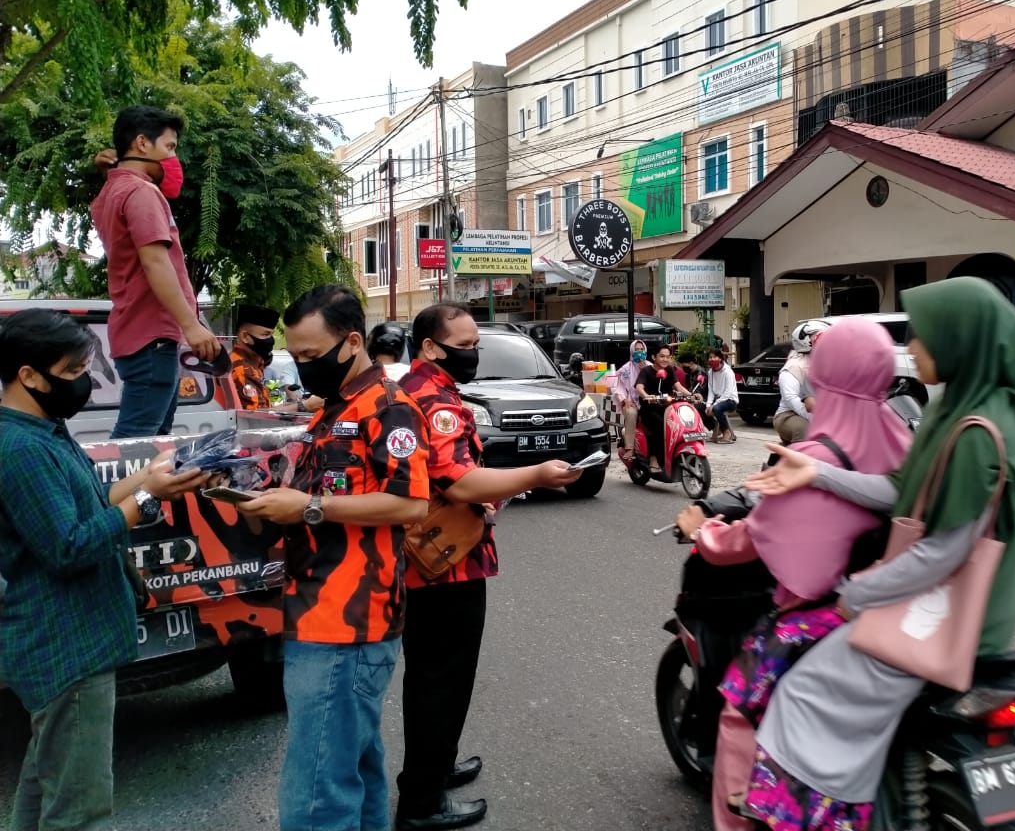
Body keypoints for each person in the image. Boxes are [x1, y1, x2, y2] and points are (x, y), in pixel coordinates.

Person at [737, 277, 1015, 829]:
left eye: (923, 339)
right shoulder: (965, 411)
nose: (911, 352)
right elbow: (904, 490)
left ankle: (811, 815)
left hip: (933, 615)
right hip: (954, 609)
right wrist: (819, 473)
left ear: (958, 342)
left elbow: (944, 552)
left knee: (799, 691)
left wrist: (858, 595)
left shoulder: (973, 430)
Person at [674, 317, 913, 831]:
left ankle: (749, 813)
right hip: (900, 603)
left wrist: (701, 532)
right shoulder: (907, 442)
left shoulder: (812, 456)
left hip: (825, 613)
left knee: (739, 708)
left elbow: (752, 538)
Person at [0, 309, 208, 831]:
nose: (85, 384)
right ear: (28, 375)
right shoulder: (21, 448)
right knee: (79, 810)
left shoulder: (43, 430)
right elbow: (69, 546)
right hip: (65, 645)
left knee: (44, 782)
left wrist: (146, 478)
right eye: (73, 372)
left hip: (74, 640)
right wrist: (146, 495)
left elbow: (89, 509)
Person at [237, 285, 433, 831]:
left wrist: (310, 507)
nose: (302, 369)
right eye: (293, 356)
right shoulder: (337, 409)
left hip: (348, 621)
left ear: (350, 342)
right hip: (318, 608)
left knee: (318, 794)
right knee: (355, 770)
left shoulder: (389, 409)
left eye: (308, 356)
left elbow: (411, 503)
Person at [395, 302, 581, 831]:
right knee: (441, 678)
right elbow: (459, 481)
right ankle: (422, 802)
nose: (474, 353)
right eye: (466, 344)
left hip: (434, 555)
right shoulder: (435, 399)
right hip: (444, 567)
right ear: (431, 346)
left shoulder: (419, 387)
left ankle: (433, 767)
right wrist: (536, 475)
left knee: (434, 676)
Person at [89, 106, 221, 439]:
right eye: (170, 147)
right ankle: (114, 494)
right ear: (143, 144)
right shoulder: (141, 193)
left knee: (153, 443)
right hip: (153, 337)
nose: (173, 158)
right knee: (138, 445)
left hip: (139, 334)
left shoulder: (113, 191)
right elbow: (155, 263)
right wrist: (192, 326)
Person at [772, 321, 829, 445]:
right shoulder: (793, 367)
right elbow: (791, 398)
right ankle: (797, 460)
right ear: (806, 341)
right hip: (788, 415)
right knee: (804, 429)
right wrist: (815, 418)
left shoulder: (824, 364)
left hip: (817, 411)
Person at [636, 345, 690, 471]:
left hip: (666, 408)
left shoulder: (670, 370)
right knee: (662, 427)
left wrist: (692, 395)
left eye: (668, 357)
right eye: (662, 356)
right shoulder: (646, 371)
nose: (665, 359)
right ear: (654, 357)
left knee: (681, 425)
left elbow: (678, 386)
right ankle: (654, 458)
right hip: (649, 409)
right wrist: (647, 396)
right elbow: (639, 387)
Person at [611, 340, 648, 459]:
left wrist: (645, 372)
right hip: (631, 402)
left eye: (641, 350)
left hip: (648, 402)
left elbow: (655, 384)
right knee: (631, 414)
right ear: (632, 351)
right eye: (636, 350)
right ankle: (629, 448)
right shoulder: (626, 369)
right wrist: (624, 399)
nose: (639, 352)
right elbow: (618, 385)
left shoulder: (651, 367)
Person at [703, 348, 740, 444]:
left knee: (717, 408)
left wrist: (714, 405)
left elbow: (728, 392)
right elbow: (711, 390)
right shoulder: (710, 372)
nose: (712, 359)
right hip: (717, 399)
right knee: (700, 407)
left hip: (730, 400)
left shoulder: (728, 372)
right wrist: (708, 405)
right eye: (710, 357)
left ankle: (726, 432)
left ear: (720, 358)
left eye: (714, 357)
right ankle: (716, 430)